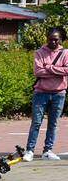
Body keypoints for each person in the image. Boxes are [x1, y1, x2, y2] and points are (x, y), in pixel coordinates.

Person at [24, 27, 68, 162]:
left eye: (56, 39)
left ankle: (47, 150)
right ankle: (30, 150)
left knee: (53, 124)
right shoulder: (39, 52)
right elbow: (38, 72)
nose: (53, 42)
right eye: (50, 39)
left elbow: (67, 70)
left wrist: (48, 67)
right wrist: (58, 71)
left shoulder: (65, 53)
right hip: (41, 93)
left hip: (59, 93)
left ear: (61, 40)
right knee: (36, 122)